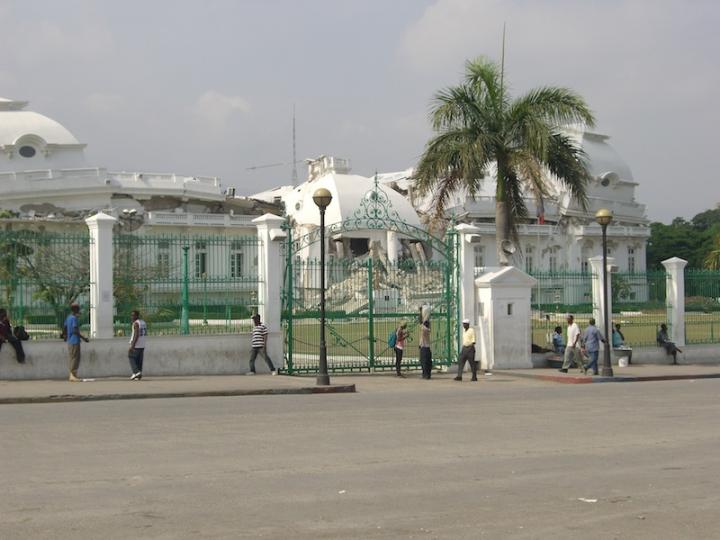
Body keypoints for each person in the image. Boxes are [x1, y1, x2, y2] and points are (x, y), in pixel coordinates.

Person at [64, 303, 89, 382]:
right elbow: (75, 330)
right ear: (76, 310)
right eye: (78, 309)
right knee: (75, 358)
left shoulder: (68, 318)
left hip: (70, 340)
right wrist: (84, 338)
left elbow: (65, 327)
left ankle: (73, 374)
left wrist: (65, 336)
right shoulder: (74, 318)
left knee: (72, 357)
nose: (79, 311)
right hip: (75, 340)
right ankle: (72, 375)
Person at [128, 310, 147, 380]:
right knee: (139, 360)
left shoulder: (136, 323)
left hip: (137, 344)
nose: (132, 317)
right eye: (131, 315)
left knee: (131, 356)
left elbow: (136, 335)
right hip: (142, 344)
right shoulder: (143, 322)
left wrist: (132, 345)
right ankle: (138, 374)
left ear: (137, 316)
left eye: (133, 315)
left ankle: (136, 372)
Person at [419, 308, 432, 379]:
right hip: (428, 347)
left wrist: (420, 312)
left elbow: (420, 321)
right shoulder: (429, 329)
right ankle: (428, 374)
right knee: (428, 362)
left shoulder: (423, 329)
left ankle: (425, 375)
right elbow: (426, 322)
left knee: (423, 362)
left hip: (424, 348)